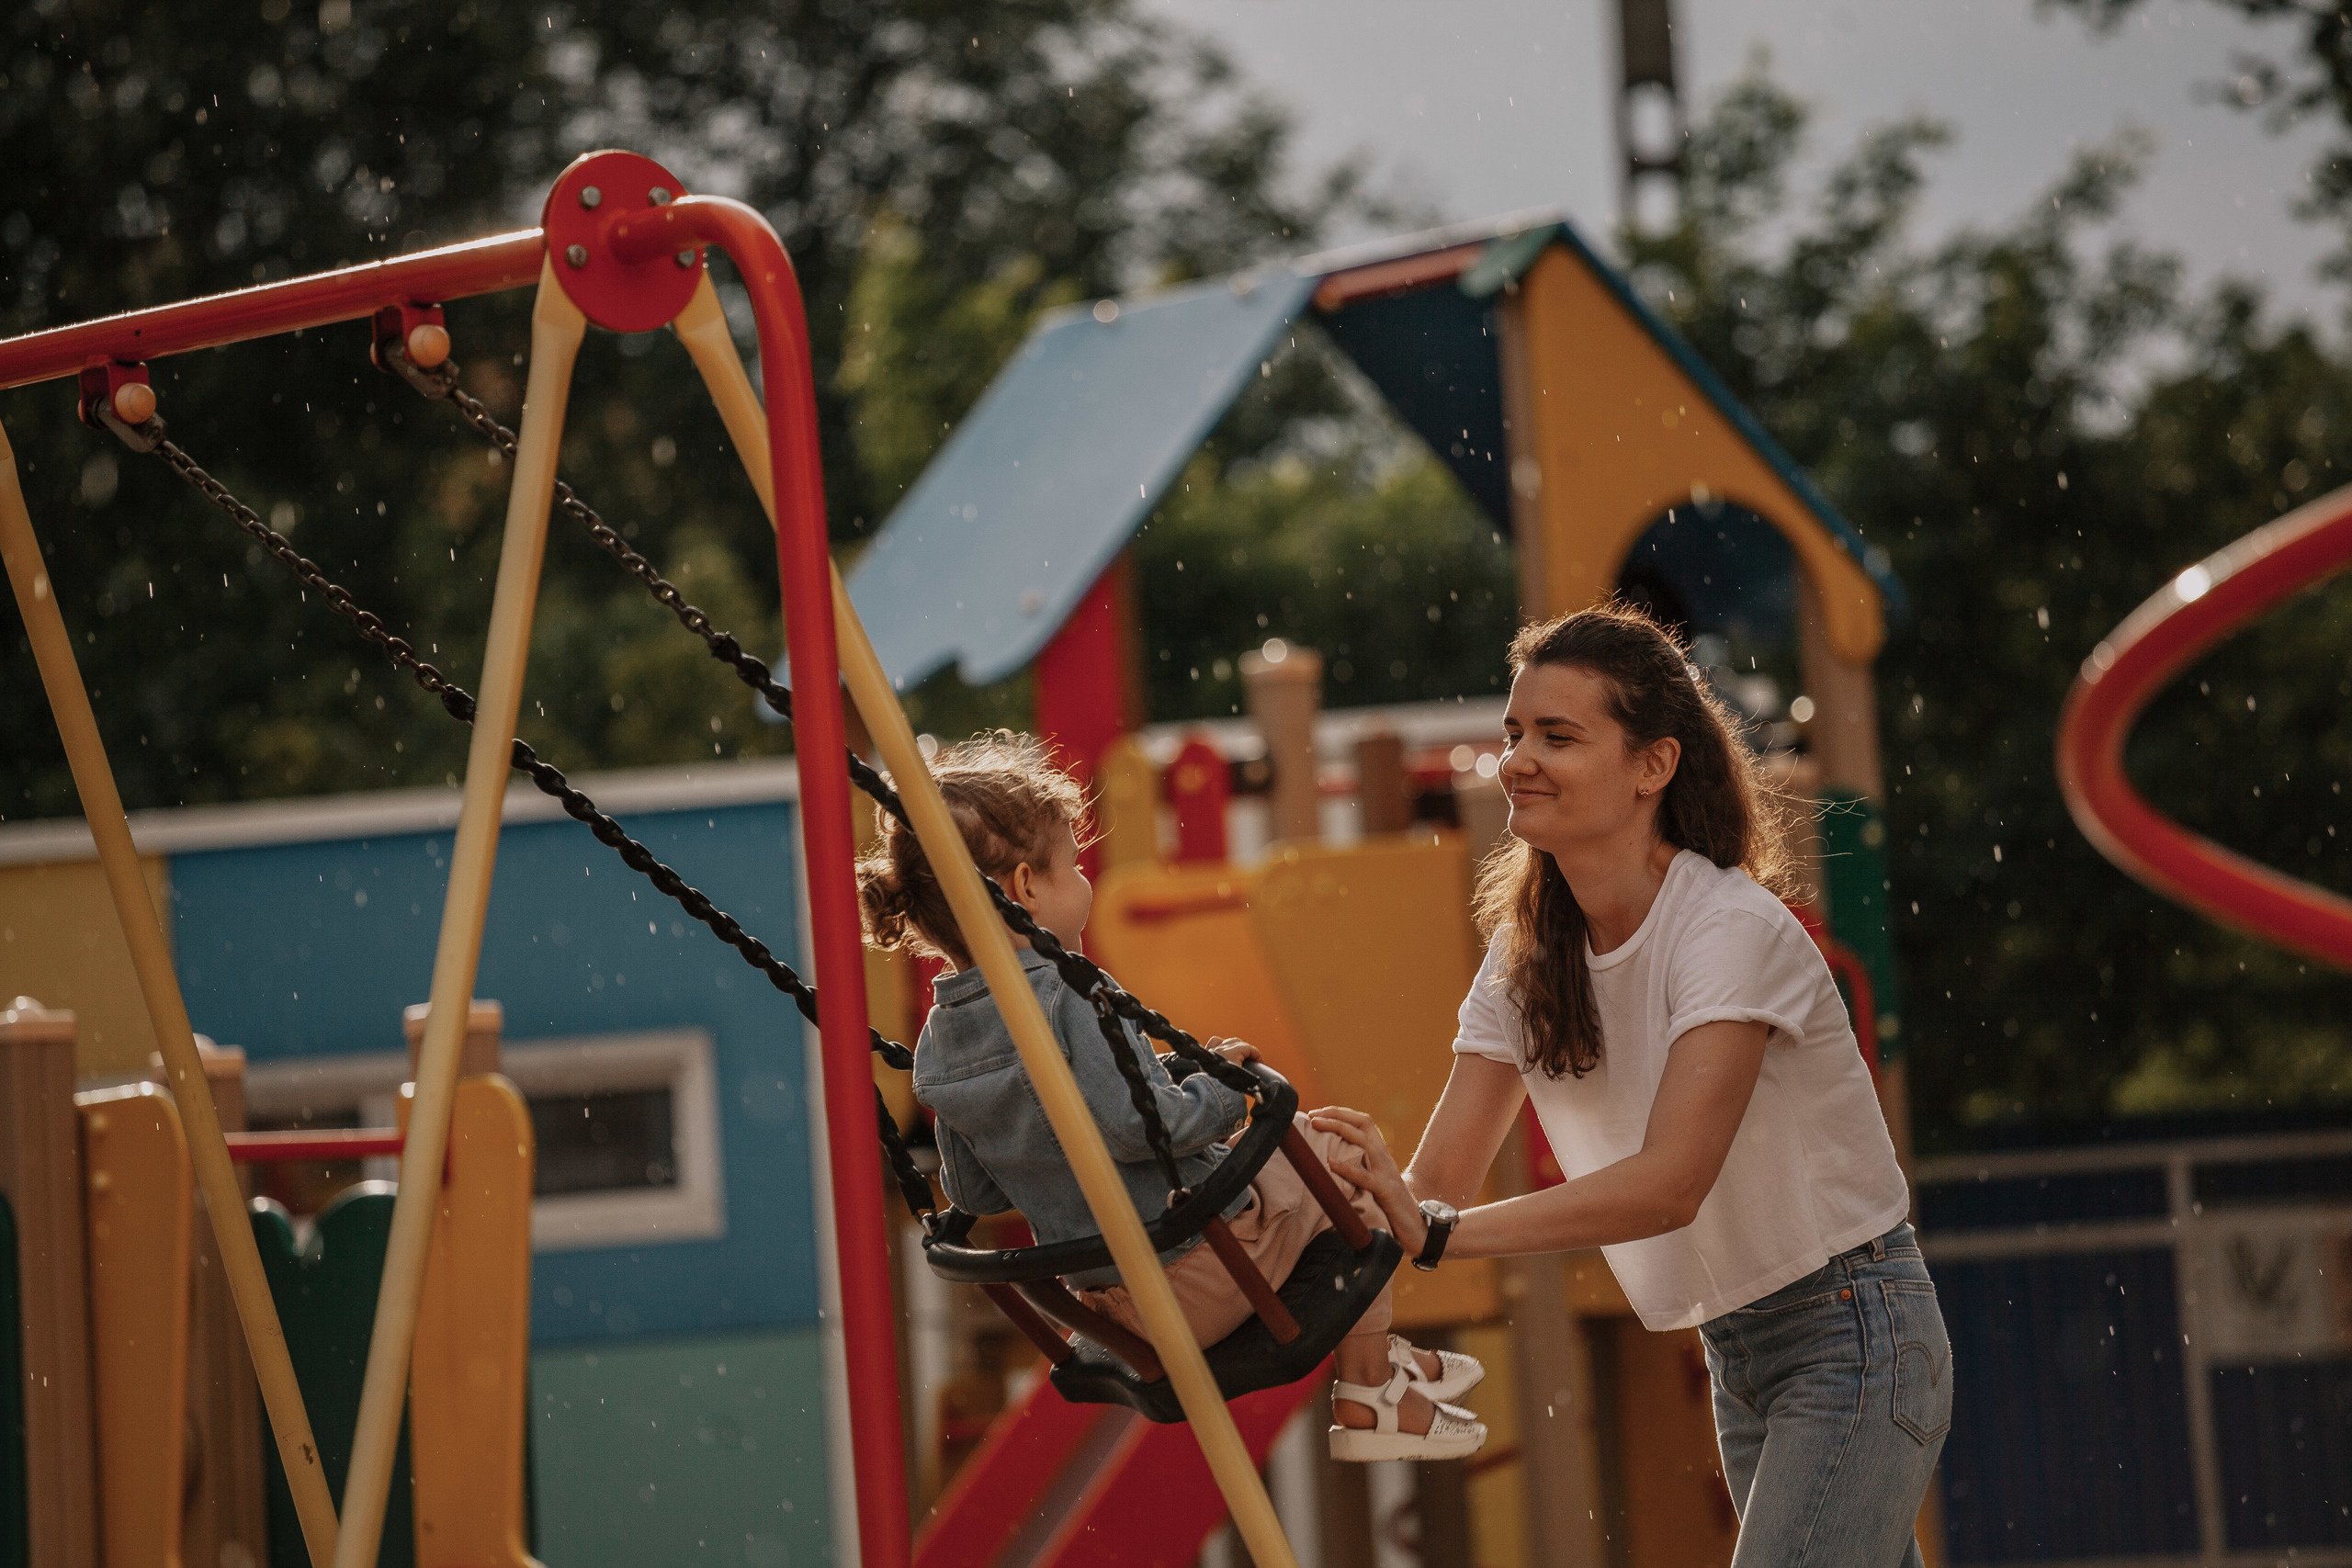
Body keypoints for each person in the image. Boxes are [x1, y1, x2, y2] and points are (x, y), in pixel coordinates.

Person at [1311, 604, 1951, 1563]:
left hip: (1851, 1332)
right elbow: (1435, 1178)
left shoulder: (1728, 929)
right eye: (1513, 734)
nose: (1518, 759)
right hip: (1741, 1344)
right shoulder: (1527, 955)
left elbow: (1669, 1183)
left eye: (1557, 736)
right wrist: (1332, 1208)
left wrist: (1438, 1232)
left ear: (1652, 765)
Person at [857, 731, 1487, 1461]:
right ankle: (1371, 1387)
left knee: (1314, 1183)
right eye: (1073, 866)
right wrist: (1225, 1092)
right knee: (1346, 1152)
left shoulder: (937, 1039)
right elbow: (1140, 1127)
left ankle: (1381, 1370)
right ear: (1027, 889)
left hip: (1116, 1315)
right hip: (1200, 1272)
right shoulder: (1067, 993)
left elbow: (977, 1189)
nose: (1084, 881)